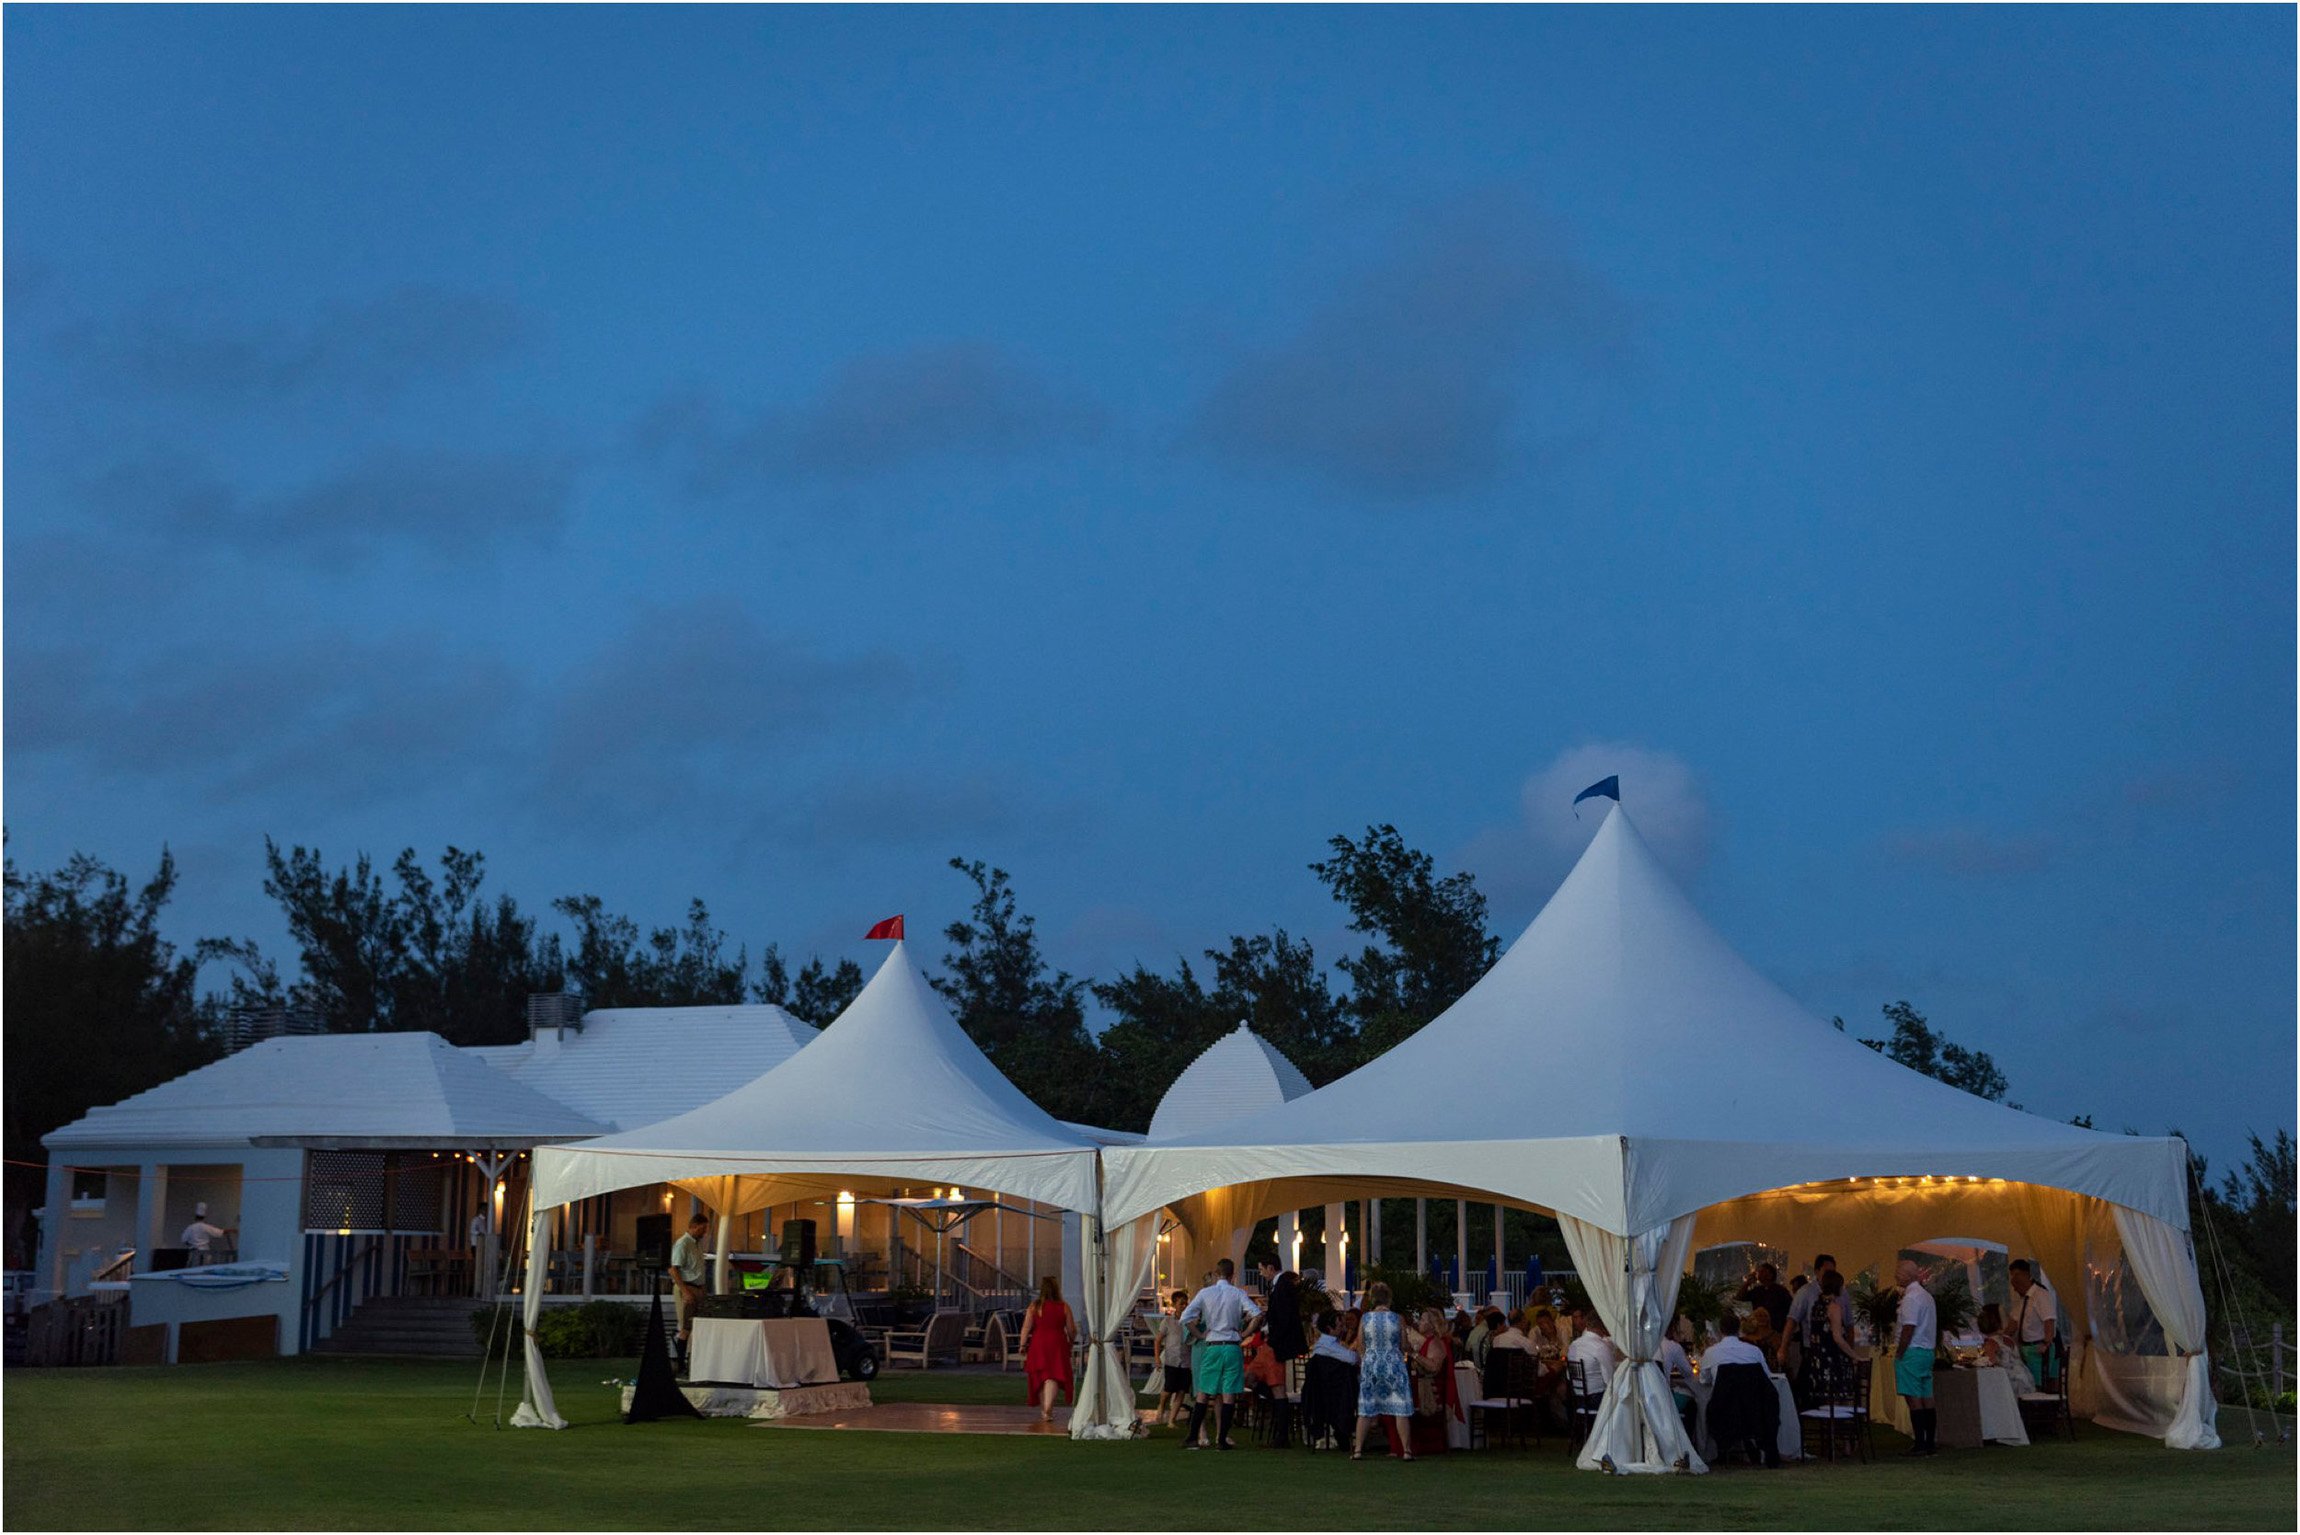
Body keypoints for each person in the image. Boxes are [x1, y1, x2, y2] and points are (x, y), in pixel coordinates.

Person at [1176, 1257, 1262, 1450]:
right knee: (1229, 1392)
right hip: (1232, 1345)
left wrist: (1199, 1334)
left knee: (1204, 1392)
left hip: (1213, 1344)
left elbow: (1185, 1317)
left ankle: (1193, 1436)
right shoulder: (1238, 1293)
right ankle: (1222, 1439)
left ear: (1216, 1273)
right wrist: (1245, 1333)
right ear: (1233, 1275)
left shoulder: (1206, 1293)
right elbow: (1257, 1314)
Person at [1699, 1312, 1781, 1467]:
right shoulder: (1754, 1351)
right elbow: (1767, 1377)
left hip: (1724, 1409)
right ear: (1739, 1329)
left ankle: (1715, 1450)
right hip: (1753, 1410)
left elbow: (1704, 1380)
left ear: (1721, 1330)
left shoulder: (1711, 1353)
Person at [1350, 1281, 1416, 1461]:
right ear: (1389, 1299)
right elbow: (1403, 1345)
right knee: (1400, 1408)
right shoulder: (1397, 1318)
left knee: (1365, 1408)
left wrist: (1367, 1359)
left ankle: (1358, 1450)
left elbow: (1360, 1344)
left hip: (1371, 1364)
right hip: (1393, 1363)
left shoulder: (1365, 1318)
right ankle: (1407, 1450)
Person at [1893, 1258, 1940, 1457]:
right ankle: (1929, 1442)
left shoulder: (1911, 1298)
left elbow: (1908, 1327)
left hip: (1912, 1351)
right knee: (1927, 1396)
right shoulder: (1927, 1296)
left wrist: (1900, 1352)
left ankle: (1920, 1442)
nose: (1895, 1276)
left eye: (1898, 1273)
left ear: (1906, 1275)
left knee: (1914, 1399)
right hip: (1927, 1351)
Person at [1019, 1275, 1077, 1422]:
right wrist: (1071, 1340)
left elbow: (1026, 1327)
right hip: (1057, 1343)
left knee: (1040, 1375)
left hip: (1038, 1343)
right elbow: (1071, 1329)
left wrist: (1022, 1344)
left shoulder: (1035, 1306)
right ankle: (1047, 1409)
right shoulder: (1064, 1307)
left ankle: (1045, 1409)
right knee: (1053, 1376)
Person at [1303, 1310, 1360, 1449]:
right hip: (1335, 1394)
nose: (1343, 1328)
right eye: (1340, 1326)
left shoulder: (1320, 1346)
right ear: (1330, 1328)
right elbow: (1353, 1358)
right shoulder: (1329, 1346)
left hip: (1321, 1393)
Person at [1803, 1269, 1861, 1401]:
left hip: (1817, 1356)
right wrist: (1854, 1355)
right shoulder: (1834, 1308)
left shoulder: (1817, 1306)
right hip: (1831, 1357)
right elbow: (1838, 1337)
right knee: (1835, 1399)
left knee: (1823, 1400)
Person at [2008, 1259, 2058, 1386]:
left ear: (2024, 1276)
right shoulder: (2023, 1300)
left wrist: (2046, 1344)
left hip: (2038, 1348)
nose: (2014, 1288)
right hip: (2025, 1349)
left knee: (2038, 1384)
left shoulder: (2040, 1295)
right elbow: (2013, 1324)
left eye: (2016, 1282)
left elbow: (2049, 1320)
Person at [1976, 1303, 2038, 1394]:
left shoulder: (1990, 1343)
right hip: (2026, 1379)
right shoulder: (2008, 1339)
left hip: (2010, 1383)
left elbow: (1990, 1363)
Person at [1154, 1289, 1193, 1427]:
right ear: (1175, 1304)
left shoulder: (1190, 1321)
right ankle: (1162, 1405)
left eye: (1186, 1304)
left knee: (1182, 1390)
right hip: (1172, 1359)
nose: (1184, 1306)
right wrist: (1157, 1358)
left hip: (1186, 1361)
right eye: (1181, 1304)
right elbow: (1158, 1340)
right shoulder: (1168, 1321)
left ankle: (1172, 1419)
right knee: (1168, 1389)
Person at [1737, 1262, 1794, 1336]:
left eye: (1762, 1272)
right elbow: (1740, 1298)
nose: (1758, 1274)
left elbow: (1790, 1309)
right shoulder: (1757, 1290)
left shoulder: (1781, 1291)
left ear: (1770, 1275)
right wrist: (1747, 1283)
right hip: (1758, 1330)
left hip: (1775, 1331)